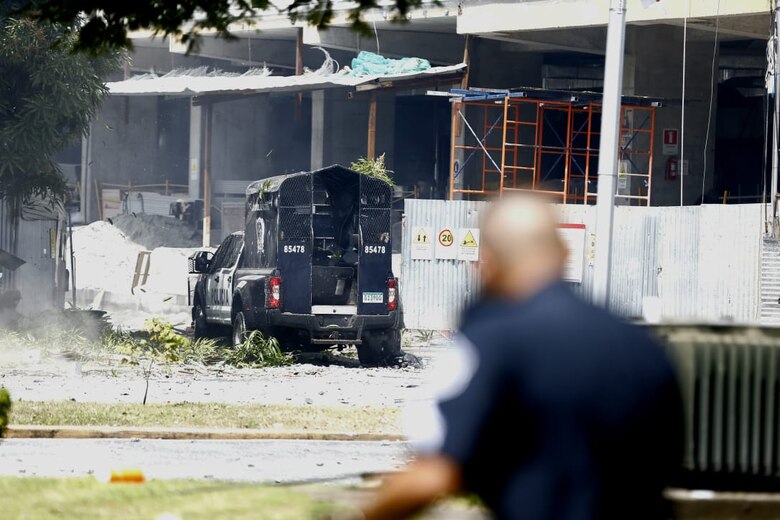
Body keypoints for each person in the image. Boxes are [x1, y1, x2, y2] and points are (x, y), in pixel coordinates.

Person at [361, 195, 684, 520]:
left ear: (487, 263)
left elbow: (433, 474)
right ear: (563, 253)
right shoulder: (643, 347)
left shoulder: (491, 341)